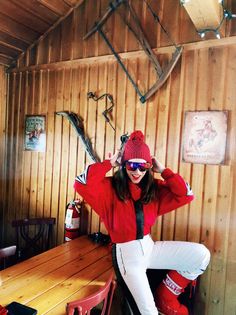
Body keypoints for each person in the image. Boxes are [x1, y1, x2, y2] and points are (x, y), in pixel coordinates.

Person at [74, 130, 210, 315]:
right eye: (131, 165)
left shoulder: (153, 190)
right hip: (128, 256)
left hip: (149, 247)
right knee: (148, 312)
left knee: (200, 255)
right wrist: (108, 163)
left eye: (143, 166)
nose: (137, 172)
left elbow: (186, 195)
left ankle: (166, 297)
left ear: (148, 166)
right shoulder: (109, 190)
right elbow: (82, 183)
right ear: (124, 165)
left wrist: (164, 171)